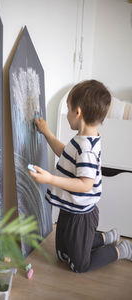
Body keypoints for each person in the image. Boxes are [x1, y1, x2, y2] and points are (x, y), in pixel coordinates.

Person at [29, 80, 132, 273]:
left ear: (78, 112)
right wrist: (47, 133)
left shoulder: (87, 149)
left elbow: (85, 184)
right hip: (70, 207)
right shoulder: (80, 139)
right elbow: (65, 154)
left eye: (68, 109)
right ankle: (105, 238)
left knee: (79, 265)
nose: (67, 114)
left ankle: (120, 250)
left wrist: (50, 179)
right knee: (62, 255)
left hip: (82, 215)